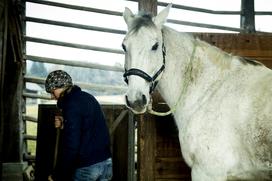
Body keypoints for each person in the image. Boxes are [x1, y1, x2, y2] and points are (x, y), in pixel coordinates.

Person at [45, 70, 112, 181]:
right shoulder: (87, 97)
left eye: (52, 92)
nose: (52, 97)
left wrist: (57, 174)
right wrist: (64, 124)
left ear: (63, 87)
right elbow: (86, 127)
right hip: (106, 163)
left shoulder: (71, 105)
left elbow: (71, 145)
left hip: (88, 168)